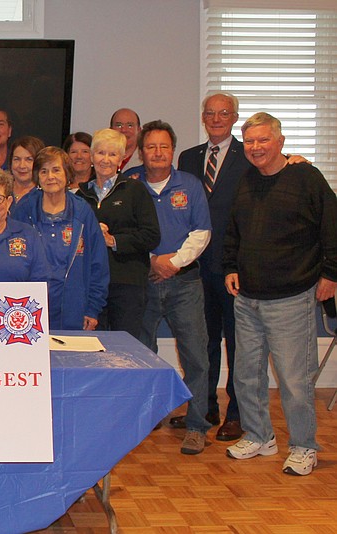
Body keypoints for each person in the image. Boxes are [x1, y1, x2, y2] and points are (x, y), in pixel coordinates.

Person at [224, 112, 337, 476]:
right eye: (250, 142)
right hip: (248, 298)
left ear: (280, 141)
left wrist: (331, 275)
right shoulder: (246, 181)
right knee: (246, 375)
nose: (256, 148)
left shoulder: (306, 177)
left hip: (292, 297)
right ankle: (260, 436)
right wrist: (230, 266)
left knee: (293, 380)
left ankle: (304, 446)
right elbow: (234, 231)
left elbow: (332, 228)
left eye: (263, 140)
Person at [130, 120, 213, 455]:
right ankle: (141, 421)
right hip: (143, 282)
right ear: (141, 152)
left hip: (185, 282)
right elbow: (125, 231)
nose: (158, 153)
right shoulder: (130, 184)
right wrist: (152, 260)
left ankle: (196, 426)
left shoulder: (190, 186)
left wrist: (172, 262)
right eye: (151, 147)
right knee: (139, 355)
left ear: (173, 151)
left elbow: (202, 232)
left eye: (164, 146)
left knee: (196, 356)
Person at [176, 92, 250, 441]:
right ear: (203, 117)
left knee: (238, 343)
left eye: (224, 113)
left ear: (234, 117)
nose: (216, 119)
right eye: (210, 113)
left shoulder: (248, 156)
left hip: (235, 267)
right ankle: (204, 407)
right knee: (200, 342)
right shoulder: (188, 158)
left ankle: (236, 414)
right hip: (196, 268)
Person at [12, 147, 109, 330]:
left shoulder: (82, 213)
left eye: (56, 170)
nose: (50, 177)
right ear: (37, 177)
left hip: (74, 307)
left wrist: (92, 309)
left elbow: (98, 264)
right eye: (44, 171)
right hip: (28, 307)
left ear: (67, 174)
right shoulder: (24, 211)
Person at [77, 129, 160, 339]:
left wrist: (113, 240)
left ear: (121, 159)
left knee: (126, 349)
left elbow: (151, 236)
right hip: (91, 285)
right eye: (101, 153)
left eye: (112, 154)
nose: (106, 159)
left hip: (127, 283)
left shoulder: (135, 190)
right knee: (92, 347)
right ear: (92, 156)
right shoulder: (80, 195)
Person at [8, 136, 45, 203]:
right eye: (17, 159)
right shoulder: (1, 190)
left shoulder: (45, 195)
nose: (22, 166)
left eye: (29, 159)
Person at [110, 108, 142, 172]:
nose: (124, 130)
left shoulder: (146, 161)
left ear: (139, 130)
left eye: (130, 125)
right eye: (118, 125)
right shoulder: (101, 160)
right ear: (111, 130)